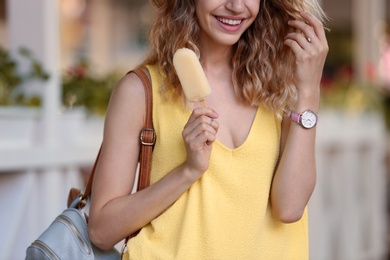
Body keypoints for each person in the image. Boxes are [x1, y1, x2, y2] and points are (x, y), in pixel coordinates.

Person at [88, 0, 329, 259]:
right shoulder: (140, 92)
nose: (237, 6)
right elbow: (102, 231)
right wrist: (188, 171)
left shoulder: (280, 91)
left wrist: (308, 91)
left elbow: (290, 208)